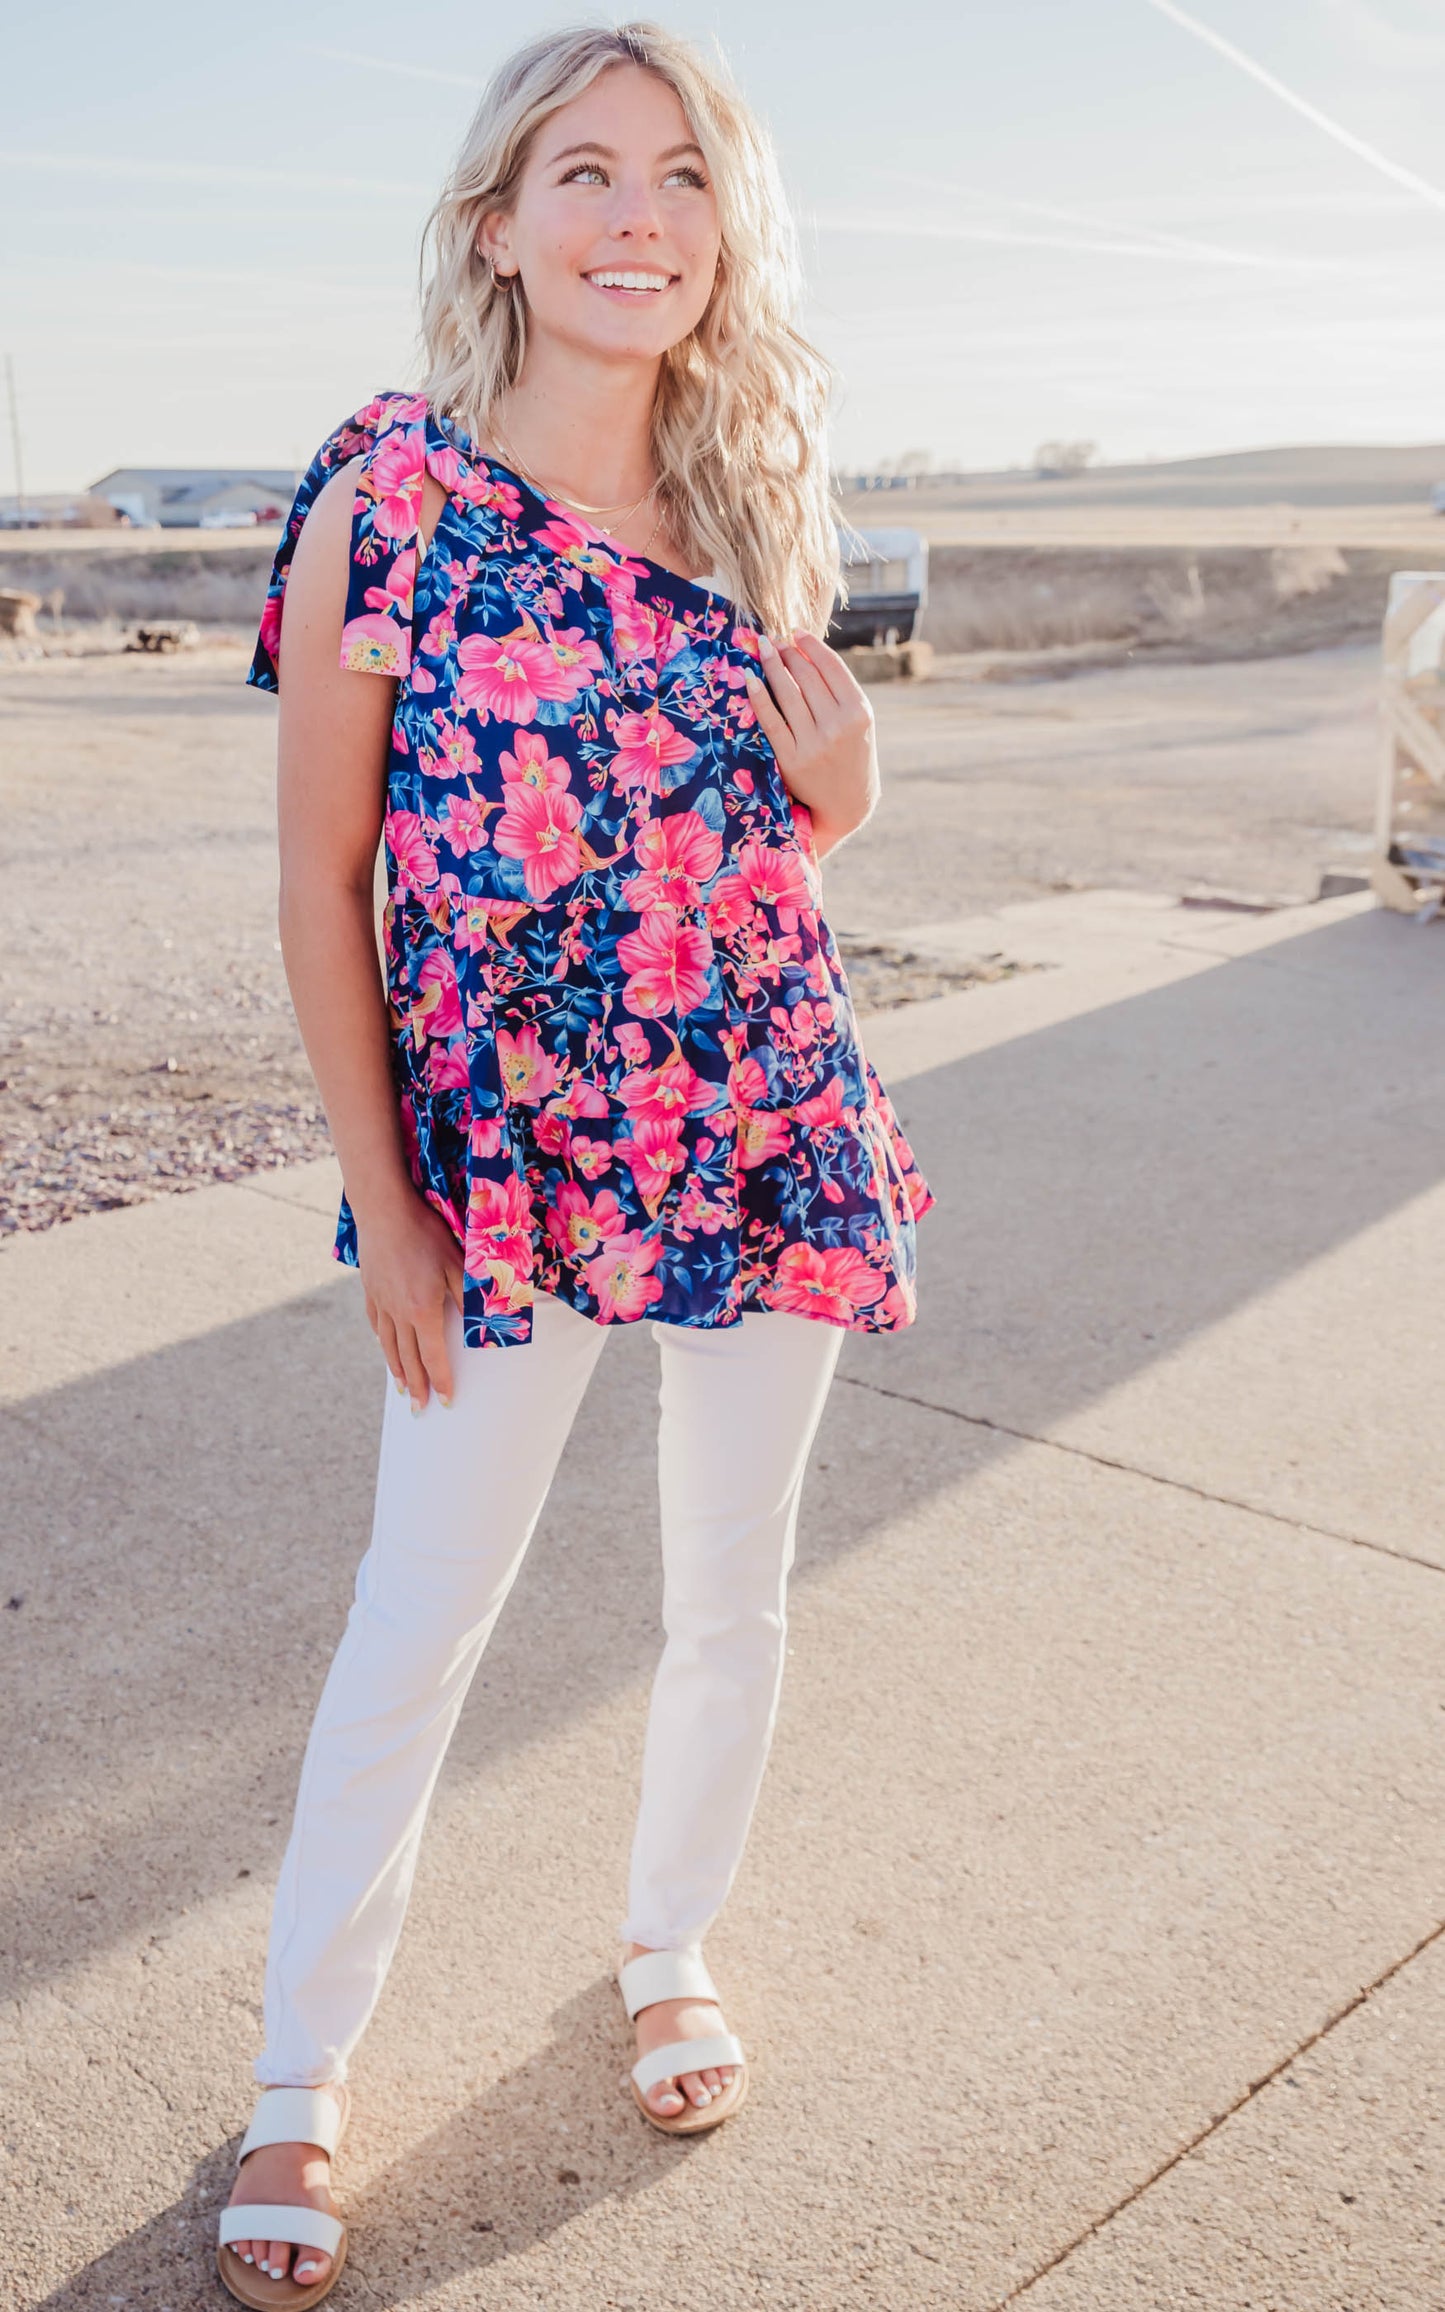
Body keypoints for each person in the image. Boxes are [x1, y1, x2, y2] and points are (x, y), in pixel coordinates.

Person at [217, 21, 935, 2305]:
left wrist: (846, 807)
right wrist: (390, 1199)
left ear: (727, 237)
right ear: (495, 228)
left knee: (735, 1587)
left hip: (760, 1124)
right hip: (505, 1172)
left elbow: (784, 844)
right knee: (419, 1621)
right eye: (588, 173)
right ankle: (301, 2082)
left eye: (686, 178)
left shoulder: (755, 504)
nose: (642, 217)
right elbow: (321, 882)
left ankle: (665, 1942)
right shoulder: (387, 501)